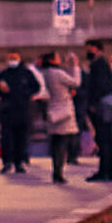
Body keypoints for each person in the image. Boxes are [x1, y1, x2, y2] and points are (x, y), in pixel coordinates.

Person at [0, 52, 40, 175]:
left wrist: (25, 93)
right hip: (7, 111)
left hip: (22, 110)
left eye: (14, 58)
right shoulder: (4, 74)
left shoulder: (26, 74)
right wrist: (2, 90)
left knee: (21, 138)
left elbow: (36, 87)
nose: (12, 61)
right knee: (7, 138)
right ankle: (7, 162)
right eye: (10, 58)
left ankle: (19, 162)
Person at [83, 44, 112, 184]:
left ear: (98, 49)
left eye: (90, 49)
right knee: (107, 139)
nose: (88, 52)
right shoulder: (104, 64)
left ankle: (105, 171)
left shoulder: (98, 65)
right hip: (107, 106)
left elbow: (98, 86)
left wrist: (93, 103)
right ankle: (109, 172)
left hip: (101, 107)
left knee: (104, 139)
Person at [39, 50, 79, 184]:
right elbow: (75, 82)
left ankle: (56, 170)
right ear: (51, 60)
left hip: (52, 111)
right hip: (63, 111)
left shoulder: (46, 73)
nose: (60, 59)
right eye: (57, 57)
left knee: (55, 143)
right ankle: (59, 172)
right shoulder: (57, 73)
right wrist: (75, 66)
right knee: (62, 143)